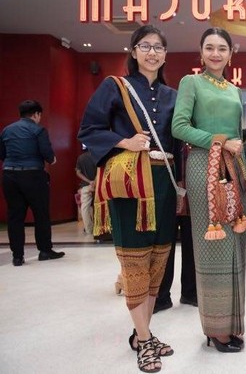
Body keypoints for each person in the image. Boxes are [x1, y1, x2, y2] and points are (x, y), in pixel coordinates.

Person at [78, 24, 177, 372]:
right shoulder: (114, 86)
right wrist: (125, 142)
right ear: (133, 52)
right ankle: (145, 340)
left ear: (165, 55)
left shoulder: (172, 95)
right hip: (131, 185)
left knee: (158, 262)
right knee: (135, 263)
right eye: (145, 46)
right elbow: (89, 129)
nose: (152, 52)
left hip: (164, 184)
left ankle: (142, 333)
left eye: (158, 47)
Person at [171, 27, 246, 354]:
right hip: (204, 165)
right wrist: (219, 141)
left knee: (236, 246)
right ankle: (215, 329)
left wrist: (238, 155)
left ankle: (231, 324)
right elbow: (179, 126)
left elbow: (238, 134)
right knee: (212, 246)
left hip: (234, 168)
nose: (216, 54)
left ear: (231, 53)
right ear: (201, 52)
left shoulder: (235, 89)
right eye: (210, 48)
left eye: (222, 48)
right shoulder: (191, 83)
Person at [1, 100, 64, 266]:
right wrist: (52, 159)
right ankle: (45, 251)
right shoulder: (38, 130)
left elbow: (2, 154)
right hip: (33, 176)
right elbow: (48, 155)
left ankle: (17, 256)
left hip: (9, 176)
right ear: (36, 114)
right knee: (41, 214)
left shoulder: (7, 130)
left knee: (15, 216)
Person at [153, 143, 197, 313]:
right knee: (164, 246)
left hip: (192, 191)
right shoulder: (167, 133)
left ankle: (190, 292)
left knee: (192, 244)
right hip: (167, 189)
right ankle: (161, 295)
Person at [75, 147, 97, 234]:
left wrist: (89, 181)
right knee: (99, 207)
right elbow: (100, 170)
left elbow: (78, 172)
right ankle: (99, 228)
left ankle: (88, 229)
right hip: (97, 185)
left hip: (85, 186)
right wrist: (94, 182)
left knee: (84, 208)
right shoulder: (97, 155)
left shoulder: (81, 157)